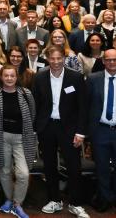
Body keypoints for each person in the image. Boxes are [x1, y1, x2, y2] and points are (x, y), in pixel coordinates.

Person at [33, 45, 89, 217]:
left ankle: (75, 203)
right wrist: (36, 129)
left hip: (69, 129)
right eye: (52, 59)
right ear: (48, 59)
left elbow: (83, 107)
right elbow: (36, 104)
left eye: (59, 58)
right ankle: (54, 200)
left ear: (64, 58)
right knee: (49, 165)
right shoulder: (40, 76)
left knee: (74, 166)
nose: (56, 62)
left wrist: (80, 132)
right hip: (47, 127)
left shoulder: (76, 77)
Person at [0, 65, 37, 218]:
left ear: (17, 78)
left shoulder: (26, 93)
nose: (9, 78)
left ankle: (17, 203)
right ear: (1, 77)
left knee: (23, 173)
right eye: (6, 76)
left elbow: (32, 113)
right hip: (2, 137)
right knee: (5, 171)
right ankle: (9, 200)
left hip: (22, 138)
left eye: (12, 76)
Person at [86, 48, 116, 213]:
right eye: (108, 60)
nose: (112, 62)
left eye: (115, 59)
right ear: (103, 61)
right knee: (101, 167)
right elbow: (86, 106)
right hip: (100, 130)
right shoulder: (93, 79)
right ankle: (105, 198)